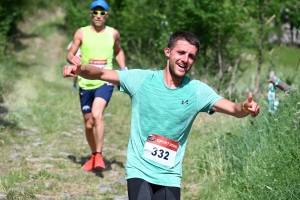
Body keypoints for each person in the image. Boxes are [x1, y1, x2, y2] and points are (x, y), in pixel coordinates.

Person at [63, 30, 260, 200]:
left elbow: (233, 109)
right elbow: (100, 74)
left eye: (191, 56)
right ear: (168, 52)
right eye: (181, 52)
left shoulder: (197, 91)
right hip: (139, 169)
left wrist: (244, 107)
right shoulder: (141, 80)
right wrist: (80, 70)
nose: (185, 59)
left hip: (169, 174)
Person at [66, 0, 127, 172]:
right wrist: (73, 59)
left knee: (96, 114)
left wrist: (123, 68)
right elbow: (70, 53)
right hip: (85, 82)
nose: (98, 16)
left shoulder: (113, 33)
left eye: (102, 13)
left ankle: (99, 155)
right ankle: (93, 155)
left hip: (105, 80)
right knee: (88, 123)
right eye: (95, 12)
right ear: (91, 14)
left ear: (106, 15)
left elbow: (119, 50)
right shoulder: (81, 32)